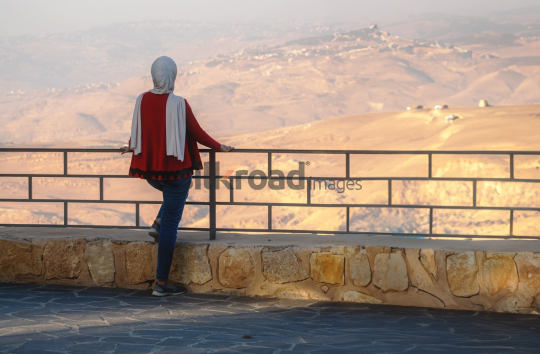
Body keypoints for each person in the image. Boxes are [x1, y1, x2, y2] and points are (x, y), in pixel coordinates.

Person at [121, 56, 233, 297]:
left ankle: (159, 222)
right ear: (172, 75)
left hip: (152, 172)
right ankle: (161, 282)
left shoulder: (141, 100)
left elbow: (141, 128)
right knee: (172, 223)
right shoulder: (179, 103)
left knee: (171, 201)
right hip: (176, 173)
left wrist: (131, 145)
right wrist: (219, 147)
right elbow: (197, 132)